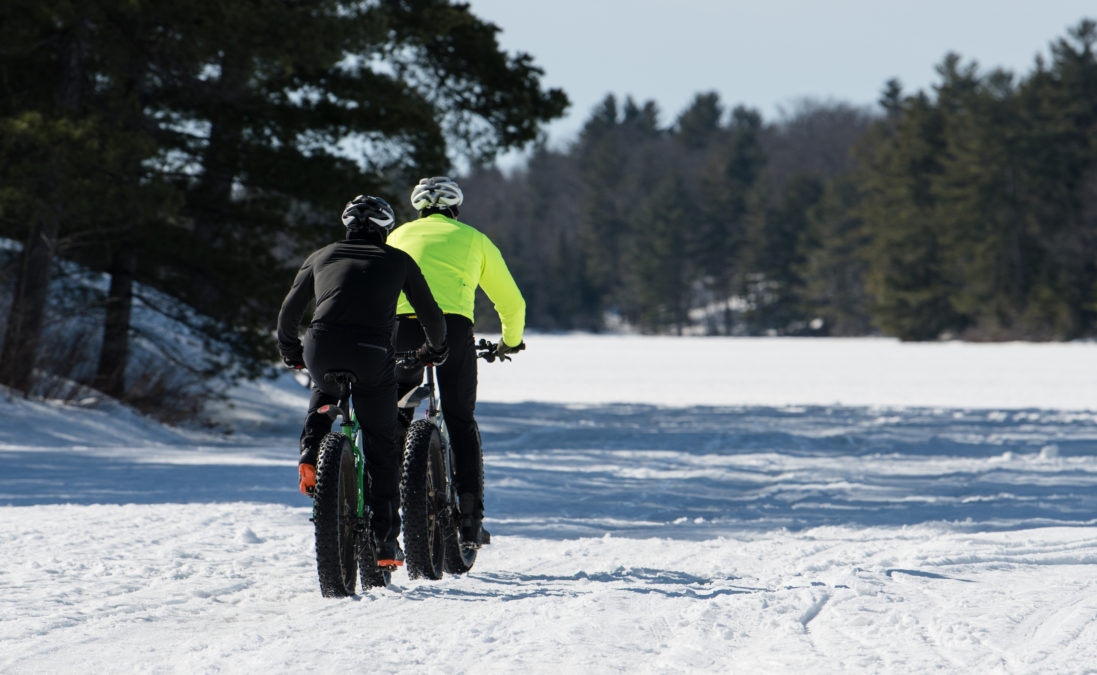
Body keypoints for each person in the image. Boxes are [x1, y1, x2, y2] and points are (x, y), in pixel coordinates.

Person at [277, 195, 448, 567]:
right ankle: (386, 543)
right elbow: (431, 315)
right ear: (385, 229)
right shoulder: (399, 260)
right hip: (371, 352)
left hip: (321, 347)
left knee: (324, 390)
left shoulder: (320, 256)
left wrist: (292, 351)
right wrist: (435, 348)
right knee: (382, 445)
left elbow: (289, 313)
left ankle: (312, 448)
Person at [387, 176, 525, 548]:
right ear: (455, 209)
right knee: (460, 420)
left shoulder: (397, 236)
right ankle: (469, 521)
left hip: (401, 330)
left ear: (419, 209)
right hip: (453, 330)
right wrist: (509, 342)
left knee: (394, 414)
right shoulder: (474, 239)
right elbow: (512, 303)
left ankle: (384, 516)